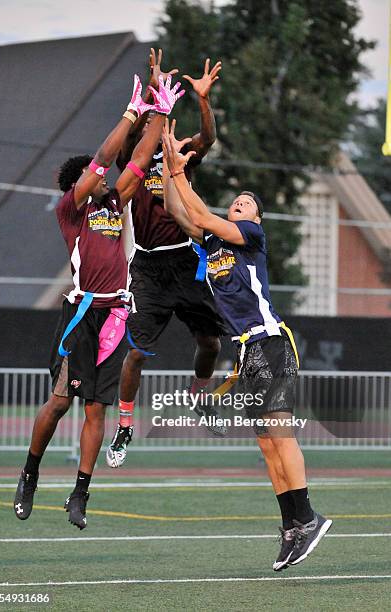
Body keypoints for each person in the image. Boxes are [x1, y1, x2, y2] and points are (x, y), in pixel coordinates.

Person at [13, 72, 184, 530]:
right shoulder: (74, 211)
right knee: (60, 403)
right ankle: (29, 473)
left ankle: (80, 493)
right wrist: (131, 113)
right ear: (81, 187)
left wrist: (159, 113)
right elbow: (106, 159)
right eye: (94, 177)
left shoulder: (117, 203)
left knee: (95, 409)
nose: (104, 178)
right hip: (80, 313)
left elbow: (141, 158)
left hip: (113, 315)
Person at [161, 118, 332, 569]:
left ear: (254, 218)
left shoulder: (252, 238)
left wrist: (180, 170)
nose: (238, 204)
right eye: (235, 201)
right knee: (265, 443)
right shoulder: (214, 246)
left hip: (271, 342)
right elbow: (180, 214)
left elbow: (198, 213)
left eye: (245, 203)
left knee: (281, 434)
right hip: (247, 352)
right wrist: (165, 160)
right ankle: (293, 526)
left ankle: (309, 516)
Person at [106, 51, 227, 470]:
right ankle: (123, 426)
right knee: (136, 353)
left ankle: (198, 396)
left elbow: (207, 140)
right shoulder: (135, 160)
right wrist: (153, 87)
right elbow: (131, 135)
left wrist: (204, 101)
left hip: (185, 259)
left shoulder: (180, 152)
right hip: (148, 267)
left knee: (210, 341)